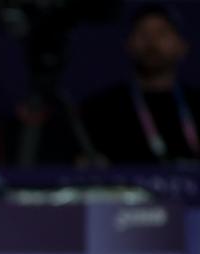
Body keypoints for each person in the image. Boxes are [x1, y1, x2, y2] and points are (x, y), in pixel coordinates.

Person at [82, 4, 200, 164]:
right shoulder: (101, 110)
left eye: (161, 33)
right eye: (142, 33)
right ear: (128, 44)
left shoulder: (195, 104)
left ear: (182, 46)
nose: (151, 42)